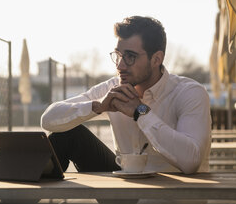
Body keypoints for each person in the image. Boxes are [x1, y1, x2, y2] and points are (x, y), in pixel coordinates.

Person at [41, 16, 211, 174]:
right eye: (119, 55)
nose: (120, 65)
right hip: (124, 194)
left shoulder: (189, 92)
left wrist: (141, 112)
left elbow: (191, 162)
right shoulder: (113, 88)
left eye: (130, 57)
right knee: (65, 135)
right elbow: (48, 120)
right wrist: (97, 106)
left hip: (171, 200)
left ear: (156, 59)